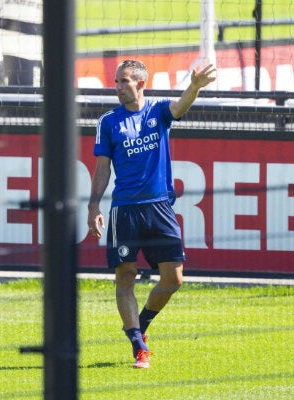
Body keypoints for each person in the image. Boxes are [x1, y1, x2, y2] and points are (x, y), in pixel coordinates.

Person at [87, 60, 216, 369]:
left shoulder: (157, 111)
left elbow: (180, 106)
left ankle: (139, 325)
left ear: (140, 84)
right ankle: (138, 346)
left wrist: (195, 86)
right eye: (116, 81)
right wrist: (94, 206)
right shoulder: (108, 122)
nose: (118, 87)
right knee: (126, 276)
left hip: (159, 207)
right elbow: (103, 169)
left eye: (124, 81)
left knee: (173, 279)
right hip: (125, 211)